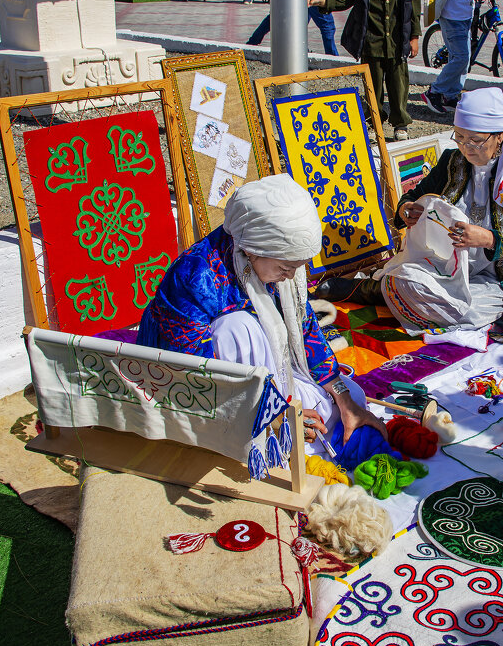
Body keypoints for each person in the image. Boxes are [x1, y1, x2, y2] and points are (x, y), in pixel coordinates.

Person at [137, 175, 386, 455]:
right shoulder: (194, 278)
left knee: (353, 398)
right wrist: (273, 415)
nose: (291, 276)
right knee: (237, 327)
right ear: (251, 250)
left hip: (262, 368)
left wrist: (344, 399)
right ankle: (261, 431)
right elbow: (191, 371)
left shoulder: (273, 264)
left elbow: (305, 331)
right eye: (285, 268)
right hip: (198, 384)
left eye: (298, 267)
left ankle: (288, 419)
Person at [318, 89, 503, 343]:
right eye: (459, 137)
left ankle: (376, 291)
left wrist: (488, 239)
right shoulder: (453, 161)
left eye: (475, 140)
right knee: (406, 279)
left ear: (500, 136)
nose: (466, 147)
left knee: (465, 311)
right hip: (446, 265)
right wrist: (407, 210)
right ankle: (378, 289)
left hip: (495, 279)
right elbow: (413, 196)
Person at [310, 0, 421, 141]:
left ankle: (400, 124)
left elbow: (413, 14)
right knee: (372, 88)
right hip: (371, 47)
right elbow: (344, 1)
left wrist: (414, 38)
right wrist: (323, 2)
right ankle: (373, 122)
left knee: (399, 87)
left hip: (397, 47)